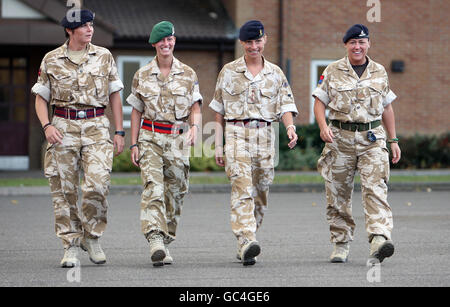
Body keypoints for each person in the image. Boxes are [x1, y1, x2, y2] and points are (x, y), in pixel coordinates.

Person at [32, 9, 125, 268]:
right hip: (62, 126)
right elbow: (41, 98)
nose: (89, 29)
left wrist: (119, 131)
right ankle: (71, 245)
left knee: (97, 184)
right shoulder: (51, 59)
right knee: (65, 190)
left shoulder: (103, 56)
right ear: (69, 30)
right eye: (83, 25)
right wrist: (47, 126)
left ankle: (92, 237)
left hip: (96, 125)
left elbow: (115, 95)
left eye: (91, 24)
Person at [210, 20, 298, 266]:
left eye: (257, 41)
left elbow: (286, 106)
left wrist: (290, 127)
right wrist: (218, 144)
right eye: (249, 42)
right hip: (237, 133)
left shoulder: (276, 73)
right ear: (242, 43)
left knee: (261, 192)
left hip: (266, 136)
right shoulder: (228, 71)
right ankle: (246, 239)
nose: (253, 46)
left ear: (264, 40)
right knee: (242, 187)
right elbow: (218, 110)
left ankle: (251, 236)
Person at [313, 24, 401, 265]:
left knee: (376, 189)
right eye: (353, 42)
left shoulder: (380, 71)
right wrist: (323, 127)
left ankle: (379, 238)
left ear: (368, 44)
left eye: (362, 42)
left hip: (372, 139)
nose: (357, 46)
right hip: (340, 139)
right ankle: (341, 243)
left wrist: (393, 140)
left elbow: (387, 107)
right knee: (338, 194)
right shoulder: (332, 71)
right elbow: (319, 103)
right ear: (346, 45)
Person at [126, 21, 202, 267]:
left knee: (177, 190)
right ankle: (155, 239)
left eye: (169, 40)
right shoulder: (142, 75)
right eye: (161, 41)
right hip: (150, 137)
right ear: (154, 45)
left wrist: (195, 128)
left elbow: (195, 107)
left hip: (178, 138)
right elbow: (136, 112)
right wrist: (134, 143)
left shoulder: (189, 74)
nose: (166, 44)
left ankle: (166, 240)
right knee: (153, 188)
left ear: (174, 41)